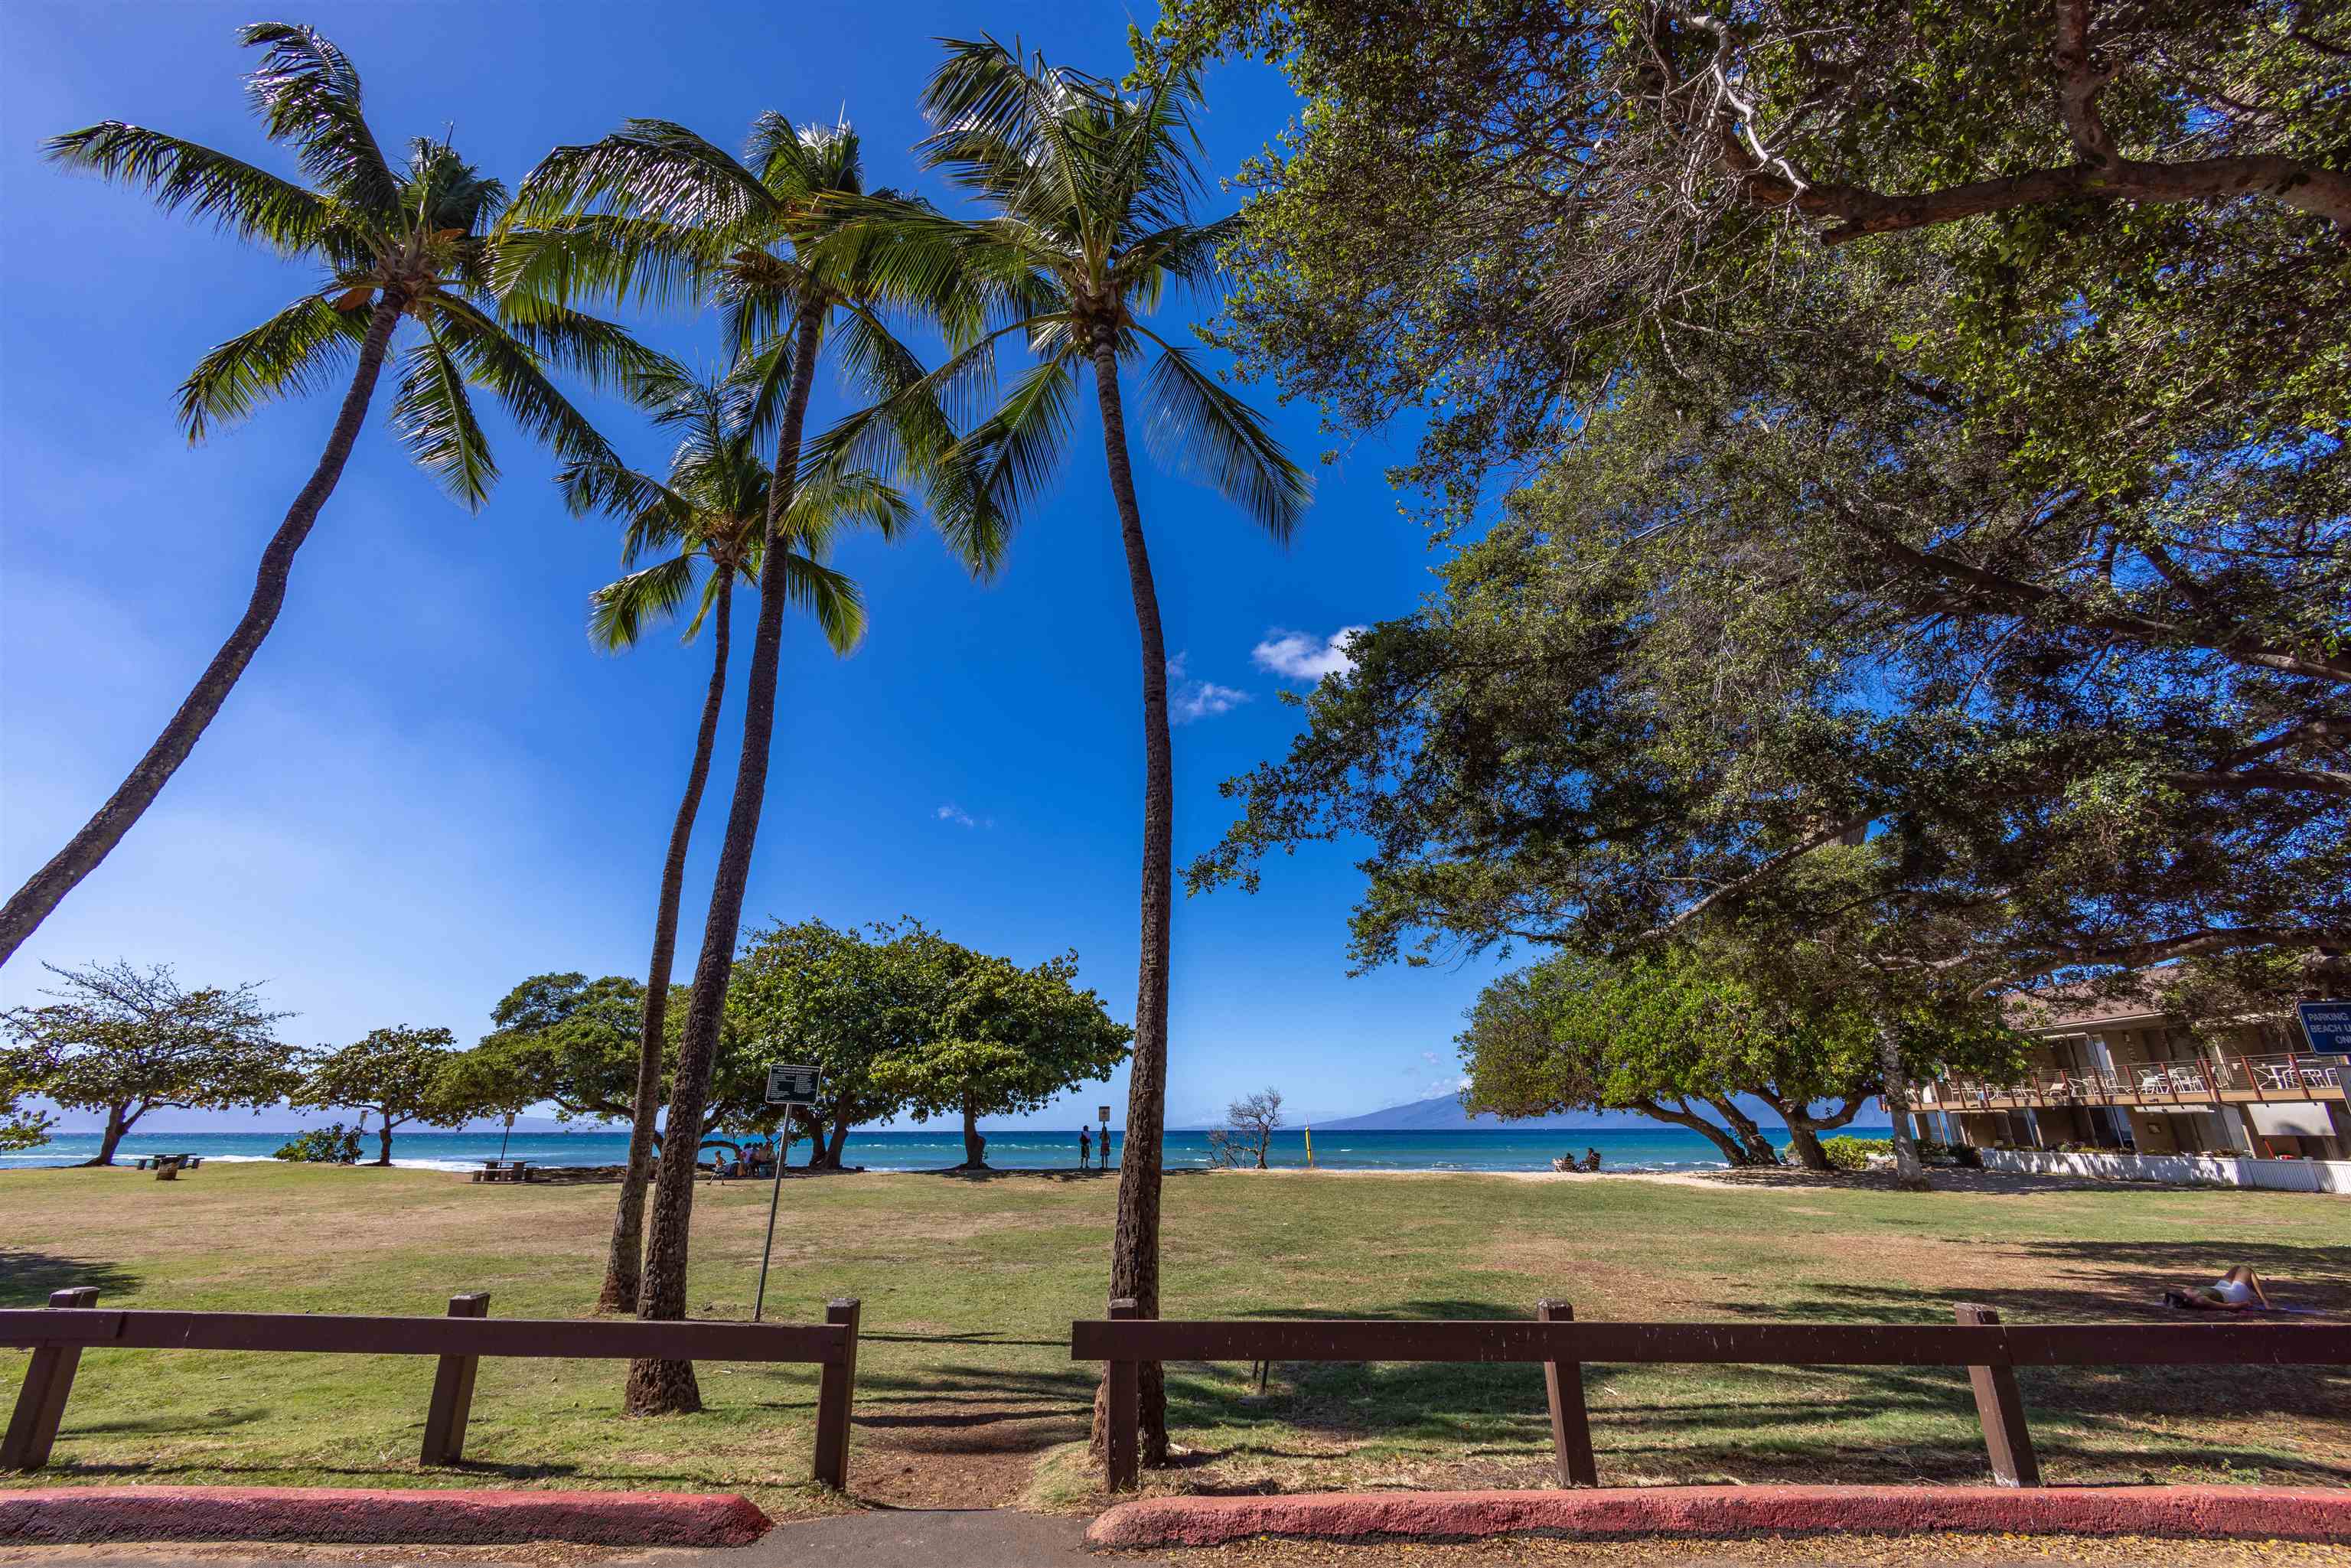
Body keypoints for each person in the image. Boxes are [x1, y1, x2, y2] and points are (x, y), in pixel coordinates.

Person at [2164, 1266, 2273, 1312]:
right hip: (2233, 1295)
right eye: (2177, 1294)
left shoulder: (2186, 1292)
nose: (2178, 1291)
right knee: (2246, 1270)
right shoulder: (2200, 1301)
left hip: (2220, 1288)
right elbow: (2228, 1307)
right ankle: (2266, 1303)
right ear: (2184, 1300)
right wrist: (2244, 1304)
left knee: (2236, 1268)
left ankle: (2250, 1287)